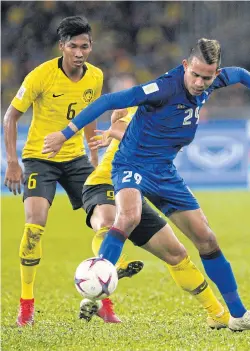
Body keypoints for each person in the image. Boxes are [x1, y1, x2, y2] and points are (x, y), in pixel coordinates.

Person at [42, 38, 250, 331]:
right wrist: (65, 133)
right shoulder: (163, 88)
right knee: (129, 216)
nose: (201, 82)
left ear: (215, 74)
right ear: (185, 66)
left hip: (164, 171)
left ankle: (238, 315)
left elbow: (240, 73)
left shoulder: (212, 81)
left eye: (208, 76)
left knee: (206, 239)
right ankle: (96, 287)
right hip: (131, 163)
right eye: (196, 75)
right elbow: (108, 101)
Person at [3, 16, 141, 327]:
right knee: (34, 227)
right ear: (62, 46)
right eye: (74, 46)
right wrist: (13, 161)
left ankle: (105, 301)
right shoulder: (40, 76)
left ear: (91, 47)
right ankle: (26, 305)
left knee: (106, 222)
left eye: (85, 46)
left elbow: (89, 115)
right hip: (40, 158)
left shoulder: (95, 76)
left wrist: (93, 156)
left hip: (76, 159)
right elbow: (11, 117)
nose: (80, 52)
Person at [79, 106, 230, 328]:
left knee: (176, 254)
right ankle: (116, 266)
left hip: (133, 191)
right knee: (109, 223)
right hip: (104, 183)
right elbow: (118, 127)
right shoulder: (143, 108)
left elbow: (117, 118)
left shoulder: (175, 120)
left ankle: (217, 314)